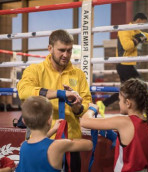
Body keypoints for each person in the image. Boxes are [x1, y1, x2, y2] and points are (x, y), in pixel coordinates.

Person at [17, 29, 92, 171]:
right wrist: (59, 93)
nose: (66, 55)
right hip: (42, 141)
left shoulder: (78, 74)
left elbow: (87, 102)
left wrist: (78, 107)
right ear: (50, 48)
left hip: (71, 142)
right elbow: (23, 92)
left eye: (69, 50)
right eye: (62, 50)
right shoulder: (35, 70)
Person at [97, 13, 148, 116]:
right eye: (143, 23)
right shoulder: (125, 30)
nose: (143, 26)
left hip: (127, 65)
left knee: (125, 91)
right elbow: (127, 46)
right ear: (138, 20)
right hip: (123, 64)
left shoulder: (136, 31)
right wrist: (137, 39)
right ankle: (145, 112)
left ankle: (102, 104)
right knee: (140, 87)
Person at [81, 78, 148, 172]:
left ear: (128, 103)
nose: (118, 103)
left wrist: (92, 109)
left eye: (119, 100)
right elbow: (134, 147)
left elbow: (84, 121)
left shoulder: (123, 122)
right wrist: (114, 137)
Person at [16, 96, 93, 172]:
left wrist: (53, 130)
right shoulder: (57, 145)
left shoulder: (23, 145)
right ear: (49, 120)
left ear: (23, 121)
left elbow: (38, 143)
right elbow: (89, 145)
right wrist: (91, 111)